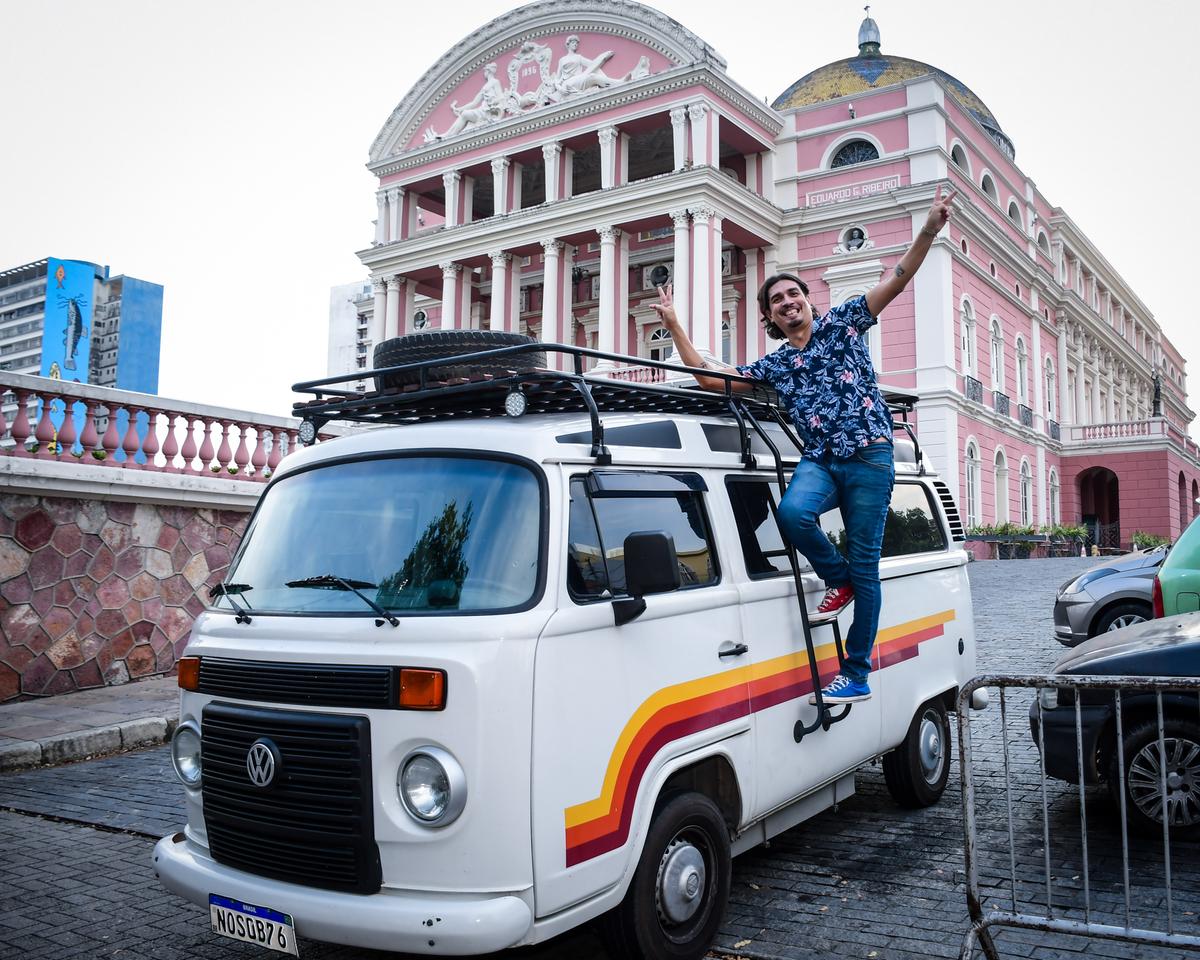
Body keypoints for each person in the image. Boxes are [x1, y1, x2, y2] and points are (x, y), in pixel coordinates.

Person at [652, 185, 957, 704]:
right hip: (820, 459)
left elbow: (898, 279)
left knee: (867, 569)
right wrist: (676, 328)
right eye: (777, 300)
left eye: (793, 294)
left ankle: (855, 673)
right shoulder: (775, 365)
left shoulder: (844, 324)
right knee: (793, 516)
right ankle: (837, 579)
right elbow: (711, 379)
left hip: (869, 455)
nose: (788, 302)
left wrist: (928, 229)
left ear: (808, 300)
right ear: (770, 318)